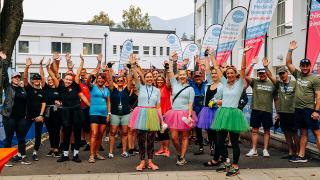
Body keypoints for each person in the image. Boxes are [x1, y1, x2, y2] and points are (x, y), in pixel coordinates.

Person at [210, 47, 250, 177]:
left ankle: (235, 165)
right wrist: (211, 55)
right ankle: (226, 162)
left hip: (233, 114)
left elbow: (243, 70)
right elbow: (216, 68)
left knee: (233, 142)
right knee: (220, 141)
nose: (230, 75)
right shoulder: (224, 83)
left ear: (235, 75)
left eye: (232, 73)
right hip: (223, 113)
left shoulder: (239, 84)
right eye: (228, 73)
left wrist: (243, 54)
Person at [48, 54, 90, 163]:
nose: (68, 81)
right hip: (66, 112)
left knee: (76, 134)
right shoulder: (60, 85)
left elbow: (79, 71)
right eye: (66, 79)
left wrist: (82, 61)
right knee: (66, 134)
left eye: (70, 80)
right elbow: (53, 75)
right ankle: (65, 155)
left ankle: (76, 155)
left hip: (76, 111)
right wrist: (48, 67)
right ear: (64, 78)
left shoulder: (76, 85)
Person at [286, 41, 320, 163]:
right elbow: (288, 63)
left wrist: (316, 111)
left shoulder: (314, 78)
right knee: (303, 132)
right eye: (303, 66)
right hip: (299, 109)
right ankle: (301, 156)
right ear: (300, 67)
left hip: (309, 110)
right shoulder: (298, 74)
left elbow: (318, 95)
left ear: (310, 66)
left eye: (307, 66)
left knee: (317, 133)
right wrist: (290, 50)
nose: (305, 68)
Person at [128, 54, 162, 171]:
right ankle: (142, 162)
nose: (148, 79)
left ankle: (151, 162)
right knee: (141, 140)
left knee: (151, 140)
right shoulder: (140, 87)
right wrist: (133, 65)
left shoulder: (157, 90)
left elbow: (158, 106)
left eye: (150, 77)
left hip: (153, 114)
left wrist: (161, 120)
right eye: (147, 77)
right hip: (141, 114)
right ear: (145, 78)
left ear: (153, 79)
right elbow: (136, 77)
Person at [164, 52, 197, 166]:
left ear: (187, 76)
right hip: (174, 114)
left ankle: (182, 156)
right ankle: (178, 152)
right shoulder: (175, 84)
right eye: (181, 74)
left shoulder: (190, 89)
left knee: (184, 136)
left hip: (185, 114)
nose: (182, 76)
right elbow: (170, 73)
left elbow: (190, 103)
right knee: (173, 137)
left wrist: (189, 115)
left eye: (184, 74)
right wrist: (172, 61)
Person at [263, 58, 299, 159]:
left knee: (294, 133)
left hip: (293, 112)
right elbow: (270, 76)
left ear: (287, 73)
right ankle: (290, 152)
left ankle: (297, 152)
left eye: (283, 73)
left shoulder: (294, 83)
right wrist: (266, 67)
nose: (282, 75)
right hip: (283, 112)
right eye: (280, 74)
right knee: (286, 133)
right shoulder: (279, 84)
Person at [245, 59, 276, 157]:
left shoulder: (272, 84)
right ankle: (254, 149)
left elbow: (276, 99)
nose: (262, 75)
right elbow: (244, 75)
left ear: (266, 73)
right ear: (258, 74)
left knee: (267, 130)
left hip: (267, 110)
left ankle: (265, 149)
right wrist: (252, 63)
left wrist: (278, 112)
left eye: (263, 73)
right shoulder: (255, 82)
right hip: (256, 109)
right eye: (260, 73)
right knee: (255, 130)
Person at [1, 70, 31, 166]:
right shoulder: (8, 87)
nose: (17, 78)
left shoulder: (22, 89)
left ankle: (22, 157)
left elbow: (26, 102)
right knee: (9, 138)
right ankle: (6, 159)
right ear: (12, 79)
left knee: (21, 138)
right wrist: (4, 62)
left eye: (18, 77)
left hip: (21, 118)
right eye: (15, 77)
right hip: (9, 117)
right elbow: (4, 76)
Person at [198, 52, 223, 160]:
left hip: (217, 110)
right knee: (210, 131)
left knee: (218, 132)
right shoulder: (208, 83)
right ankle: (212, 146)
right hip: (207, 111)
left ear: (219, 74)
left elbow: (225, 99)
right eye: (212, 74)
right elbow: (208, 69)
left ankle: (219, 152)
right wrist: (206, 56)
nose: (213, 75)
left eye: (215, 73)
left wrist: (217, 101)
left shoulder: (223, 85)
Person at [23, 57, 46, 161]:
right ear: (32, 80)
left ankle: (35, 152)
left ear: (40, 81)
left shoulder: (42, 91)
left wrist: (41, 115)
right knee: (22, 134)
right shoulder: (29, 89)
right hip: (28, 116)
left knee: (38, 136)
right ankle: (21, 152)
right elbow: (24, 79)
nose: (37, 80)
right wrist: (27, 66)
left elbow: (44, 104)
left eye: (38, 79)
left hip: (39, 117)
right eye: (35, 79)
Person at [106, 68, 132, 159]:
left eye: (122, 80)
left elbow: (130, 79)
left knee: (125, 132)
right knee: (112, 132)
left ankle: (124, 151)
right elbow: (109, 80)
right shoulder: (113, 90)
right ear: (116, 82)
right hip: (115, 114)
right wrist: (109, 69)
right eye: (118, 80)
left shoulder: (127, 89)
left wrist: (129, 70)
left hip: (125, 114)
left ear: (124, 82)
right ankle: (110, 152)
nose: (120, 81)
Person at [41, 58, 62, 158]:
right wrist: (41, 65)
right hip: (48, 113)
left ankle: (56, 149)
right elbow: (42, 78)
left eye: (51, 79)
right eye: (48, 80)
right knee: (50, 131)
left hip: (57, 112)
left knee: (56, 130)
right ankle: (52, 148)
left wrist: (60, 103)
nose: (50, 81)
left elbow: (63, 100)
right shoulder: (45, 88)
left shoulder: (59, 88)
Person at [154, 75, 172, 157]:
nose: (159, 82)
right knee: (159, 132)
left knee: (165, 132)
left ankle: (167, 150)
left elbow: (169, 81)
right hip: (156, 113)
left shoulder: (167, 88)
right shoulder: (155, 89)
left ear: (164, 81)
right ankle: (161, 149)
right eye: (158, 80)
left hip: (166, 113)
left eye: (161, 80)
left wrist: (167, 70)